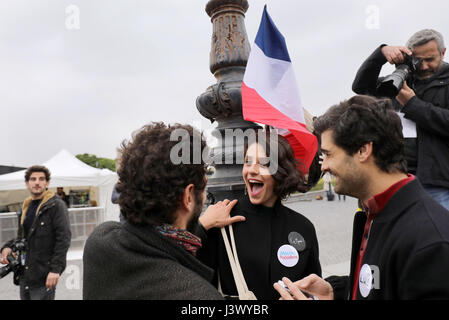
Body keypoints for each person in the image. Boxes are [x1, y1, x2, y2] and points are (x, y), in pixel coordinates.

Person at [273, 95, 449, 300]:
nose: (324, 166)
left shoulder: (430, 242)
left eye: (329, 154)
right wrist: (336, 292)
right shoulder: (376, 214)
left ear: (363, 150)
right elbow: (385, 284)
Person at [83, 122, 232, 300]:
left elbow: (157, 241)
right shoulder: (199, 295)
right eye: (204, 187)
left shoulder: (100, 242)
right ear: (188, 197)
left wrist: (202, 225)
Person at [196, 131, 322, 300]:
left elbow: (315, 289)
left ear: (281, 172)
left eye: (263, 164)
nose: (251, 170)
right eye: (247, 162)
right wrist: (202, 225)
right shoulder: (223, 218)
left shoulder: (303, 227)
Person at [352, 29, 449, 210]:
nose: (425, 66)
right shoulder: (399, 81)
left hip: (438, 183)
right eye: (419, 60)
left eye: (431, 59)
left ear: (443, 52)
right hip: (395, 178)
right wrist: (380, 54)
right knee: (403, 236)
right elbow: (360, 86)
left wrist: (411, 104)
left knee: (440, 235)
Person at [1, 165, 71, 300]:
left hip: (44, 275)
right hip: (24, 273)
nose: (37, 182)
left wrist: (55, 270)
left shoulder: (56, 205)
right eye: (33, 179)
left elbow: (64, 239)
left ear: (47, 183)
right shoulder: (26, 206)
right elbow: (23, 237)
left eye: (41, 179)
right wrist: (8, 247)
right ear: (27, 184)